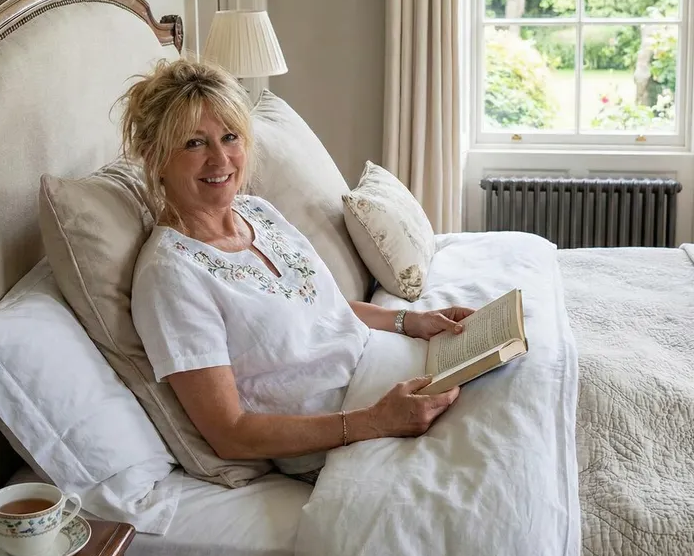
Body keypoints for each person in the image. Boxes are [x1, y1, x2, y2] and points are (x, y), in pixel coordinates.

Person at [122, 59, 471, 481]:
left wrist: (411, 321)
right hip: (346, 432)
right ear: (154, 157)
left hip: (383, 374)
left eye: (230, 137)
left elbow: (326, 312)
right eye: (194, 143)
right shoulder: (171, 276)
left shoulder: (258, 213)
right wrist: (377, 420)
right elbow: (229, 434)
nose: (220, 159)